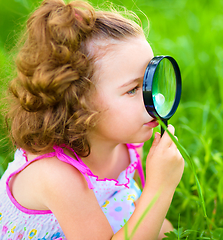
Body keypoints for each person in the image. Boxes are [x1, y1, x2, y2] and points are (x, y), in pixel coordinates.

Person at [0, 0, 184, 239]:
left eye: (150, 80)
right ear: (78, 103)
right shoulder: (56, 175)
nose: (156, 96)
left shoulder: (127, 143)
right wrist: (160, 189)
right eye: (132, 90)